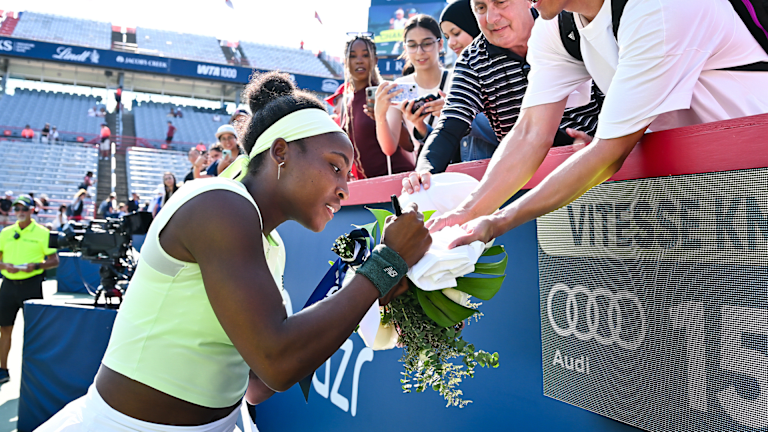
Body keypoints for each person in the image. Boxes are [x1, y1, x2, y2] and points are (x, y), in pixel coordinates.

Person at [36, 71, 430, 432]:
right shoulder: (217, 204)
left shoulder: (270, 243)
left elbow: (257, 385)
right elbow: (277, 362)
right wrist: (381, 268)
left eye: (347, 174)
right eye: (334, 166)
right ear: (280, 152)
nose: (345, 189)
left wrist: (364, 299)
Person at [423, 0, 768, 249]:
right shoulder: (555, 24)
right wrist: (465, 212)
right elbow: (530, 133)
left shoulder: (660, 8)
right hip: (696, 198)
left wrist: (498, 221)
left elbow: (609, 151)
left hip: (755, 185)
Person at [406, 0, 602, 185]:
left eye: (500, 2)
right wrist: (425, 172)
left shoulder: (569, 23)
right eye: (480, 7)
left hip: (606, 165)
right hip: (530, 179)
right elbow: (450, 125)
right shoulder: (473, 60)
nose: (491, 18)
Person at [0, 195, 59, 385]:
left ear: (32, 210)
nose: (20, 213)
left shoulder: (43, 233)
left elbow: (54, 260)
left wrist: (34, 266)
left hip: (31, 285)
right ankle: (2, 370)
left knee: (33, 332)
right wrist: (4, 266)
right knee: (4, 329)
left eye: (24, 209)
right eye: (17, 209)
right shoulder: (6, 232)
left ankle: (33, 376)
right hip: (8, 286)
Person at [374, 15, 450, 160]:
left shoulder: (458, 78)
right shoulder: (398, 88)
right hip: (425, 172)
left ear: (440, 44)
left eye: (426, 43)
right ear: (405, 48)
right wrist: (380, 114)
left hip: (463, 165)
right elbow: (389, 149)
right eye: (412, 45)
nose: (420, 51)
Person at [342, 34, 414, 179]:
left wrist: (381, 118)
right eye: (353, 56)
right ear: (345, 61)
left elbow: (409, 145)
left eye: (365, 55)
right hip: (370, 186)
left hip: (397, 179)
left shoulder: (385, 93)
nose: (359, 61)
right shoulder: (348, 101)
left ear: (375, 60)